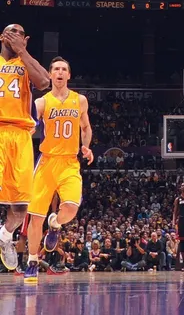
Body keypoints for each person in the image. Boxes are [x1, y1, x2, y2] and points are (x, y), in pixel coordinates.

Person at [24, 57, 93, 284]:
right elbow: (29, 125)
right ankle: (32, 261)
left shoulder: (79, 100)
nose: (60, 72)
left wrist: (86, 146)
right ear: (50, 74)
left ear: (69, 75)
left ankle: (55, 224)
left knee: (71, 209)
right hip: (46, 162)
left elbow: (86, 127)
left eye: (64, 69)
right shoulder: (42, 102)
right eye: (56, 69)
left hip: (70, 162)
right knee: (36, 216)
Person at [0, 23, 49, 271]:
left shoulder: (26, 63)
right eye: (11, 31)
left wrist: (23, 51)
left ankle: (5, 235)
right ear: (2, 37)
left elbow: (44, 82)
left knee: (20, 207)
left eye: (19, 33)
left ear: (25, 39)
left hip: (20, 136)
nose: (15, 35)